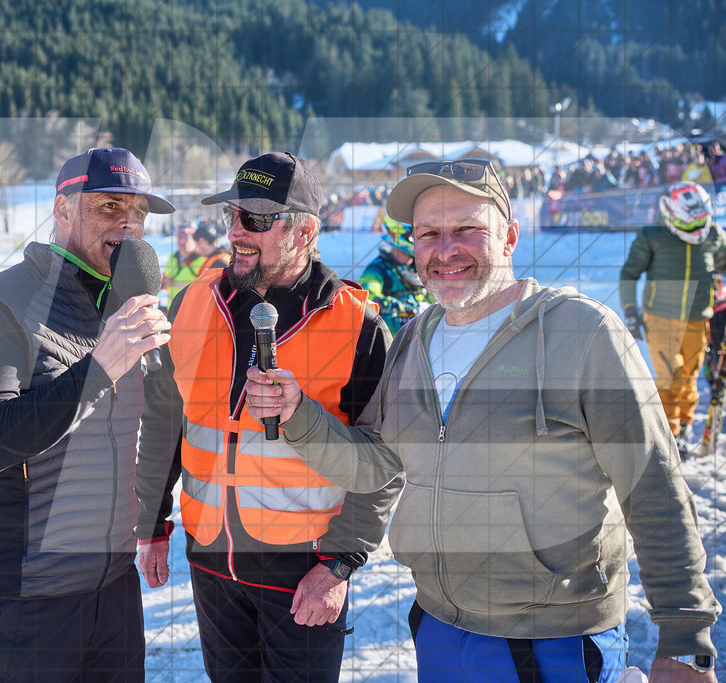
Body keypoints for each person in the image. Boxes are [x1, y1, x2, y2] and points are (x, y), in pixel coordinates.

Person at [245, 159, 720, 681]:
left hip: (553, 638)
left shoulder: (582, 333)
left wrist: (686, 636)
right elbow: (377, 465)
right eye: (428, 233)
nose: (445, 249)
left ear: (509, 236)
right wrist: (298, 414)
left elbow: (654, 485)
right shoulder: (413, 341)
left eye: (466, 229)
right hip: (440, 626)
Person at [136, 152, 404, 681]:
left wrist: (339, 566)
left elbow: (385, 463)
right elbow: (166, 421)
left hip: (303, 570)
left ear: (304, 232)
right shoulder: (192, 304)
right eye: (232, 216)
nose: (236, 230)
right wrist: (152, 520)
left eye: (256, 219)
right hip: (211, 561)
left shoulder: (359, 326)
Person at [0, 147, 175, 682]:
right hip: (24, 595)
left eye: (138, 212)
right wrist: (99, 370)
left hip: (113, 586)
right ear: (63, 209)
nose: (128, 224)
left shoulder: (125, 308)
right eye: (108, 207)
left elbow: (147, 427)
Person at [620, 181, 726, 454]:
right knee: (670, 376)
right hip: (660, 317)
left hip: (698, 318)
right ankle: (669, 431)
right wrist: (630, 310)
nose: (697, 230)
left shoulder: (714, 235)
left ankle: (686, 423)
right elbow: (629, 272)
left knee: (689, 378)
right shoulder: (651, 235)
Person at [359, 218, 432, 335]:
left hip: (421, 336)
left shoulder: (421, 268)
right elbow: (366, 294)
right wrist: (389, 304)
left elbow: (435, 295)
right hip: (391, 339)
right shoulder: (378, 268)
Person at [161, 223, 207, 302]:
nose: (182, 241)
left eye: (186, 238)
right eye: (179, 238)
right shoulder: (172, 257)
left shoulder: (203, 260)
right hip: (172, 311)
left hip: (192, 311)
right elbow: (163, 281)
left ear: (194, 240)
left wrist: (176, 284)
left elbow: (206, 290)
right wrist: (165, 283)